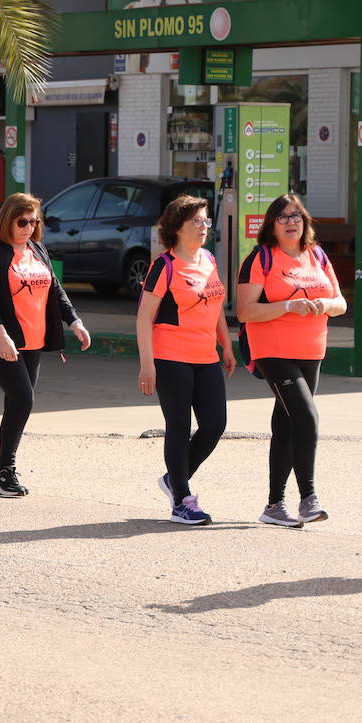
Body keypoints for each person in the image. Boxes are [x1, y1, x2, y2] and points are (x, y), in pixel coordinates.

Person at [236, 194, 346, 528]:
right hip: (273, 349)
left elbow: (340, 302)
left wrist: (322, 305)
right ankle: (308, 498)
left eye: (296, 215)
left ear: (305, 221)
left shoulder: (317, 255)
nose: (291, 222)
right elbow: (244, 310)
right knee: (307, 416)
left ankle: (273, 505)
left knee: (285, 425)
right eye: (282, 217)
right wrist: (288, 306)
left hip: (312, 349)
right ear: (271, 225)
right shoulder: (261, 259)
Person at [0, 192, 91, 496]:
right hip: (4, 340)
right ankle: (4, 470)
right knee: (23, 399)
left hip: (33, 340)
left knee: (17, 403)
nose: (28, 227)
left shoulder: (37, 249)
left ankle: (2, 473)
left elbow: (56, 289)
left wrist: (74, 321)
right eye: (22, 221)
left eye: (33, 222)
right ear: (7, 220)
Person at [136, 194, 234, 525]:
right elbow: (144, 317)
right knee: (178, 426)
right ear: (177, 226)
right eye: (196, 221)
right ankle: (182, 498)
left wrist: (227, 345)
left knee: (215, 425)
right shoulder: (163, 266)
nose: (203, 227)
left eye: (206, 221)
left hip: (206, 356)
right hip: (170, 356)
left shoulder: (208, 259)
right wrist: (147, 363)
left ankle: (174, 479)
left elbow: (215, 305)